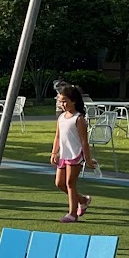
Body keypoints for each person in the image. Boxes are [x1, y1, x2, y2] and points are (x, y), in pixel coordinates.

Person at [50, 82, 97, 222]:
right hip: (64, 155)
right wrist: (54, 153)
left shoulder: (79, 119)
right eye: (60, 102)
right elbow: (58, 136)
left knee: (70, 183)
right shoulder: (61, 118)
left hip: (75, 155)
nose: (62, 104)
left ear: (74, 101)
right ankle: (83, 200)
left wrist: (88, 159)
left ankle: (72, 214)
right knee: (59, 183)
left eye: (65, 101)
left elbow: (84, 141)